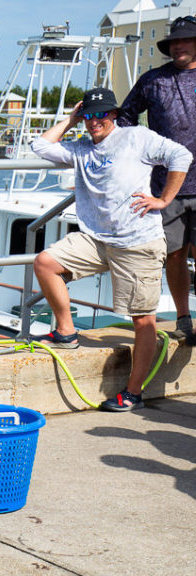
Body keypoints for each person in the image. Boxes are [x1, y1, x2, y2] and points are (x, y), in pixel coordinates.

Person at [31, 87, 191, 411]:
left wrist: (164, 200)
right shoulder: (81, 149)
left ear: (114, 115)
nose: (94, 122)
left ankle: (133, 394)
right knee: (45, 263)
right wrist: (71, 118)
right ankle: (66, 332)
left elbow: (182, 157)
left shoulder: (136, 137)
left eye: (101, 114)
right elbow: (39, 146)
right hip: (96, 239)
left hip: (137, 242)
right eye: (89, 116)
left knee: (143, 320)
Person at [118, 15, 196, 341]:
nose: (178, 46)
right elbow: (124, 116)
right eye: (173, 42)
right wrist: (138, 151)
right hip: (166, 186)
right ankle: (183, 319)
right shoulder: (152, 80)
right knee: (174, 254)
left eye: (185, 40)